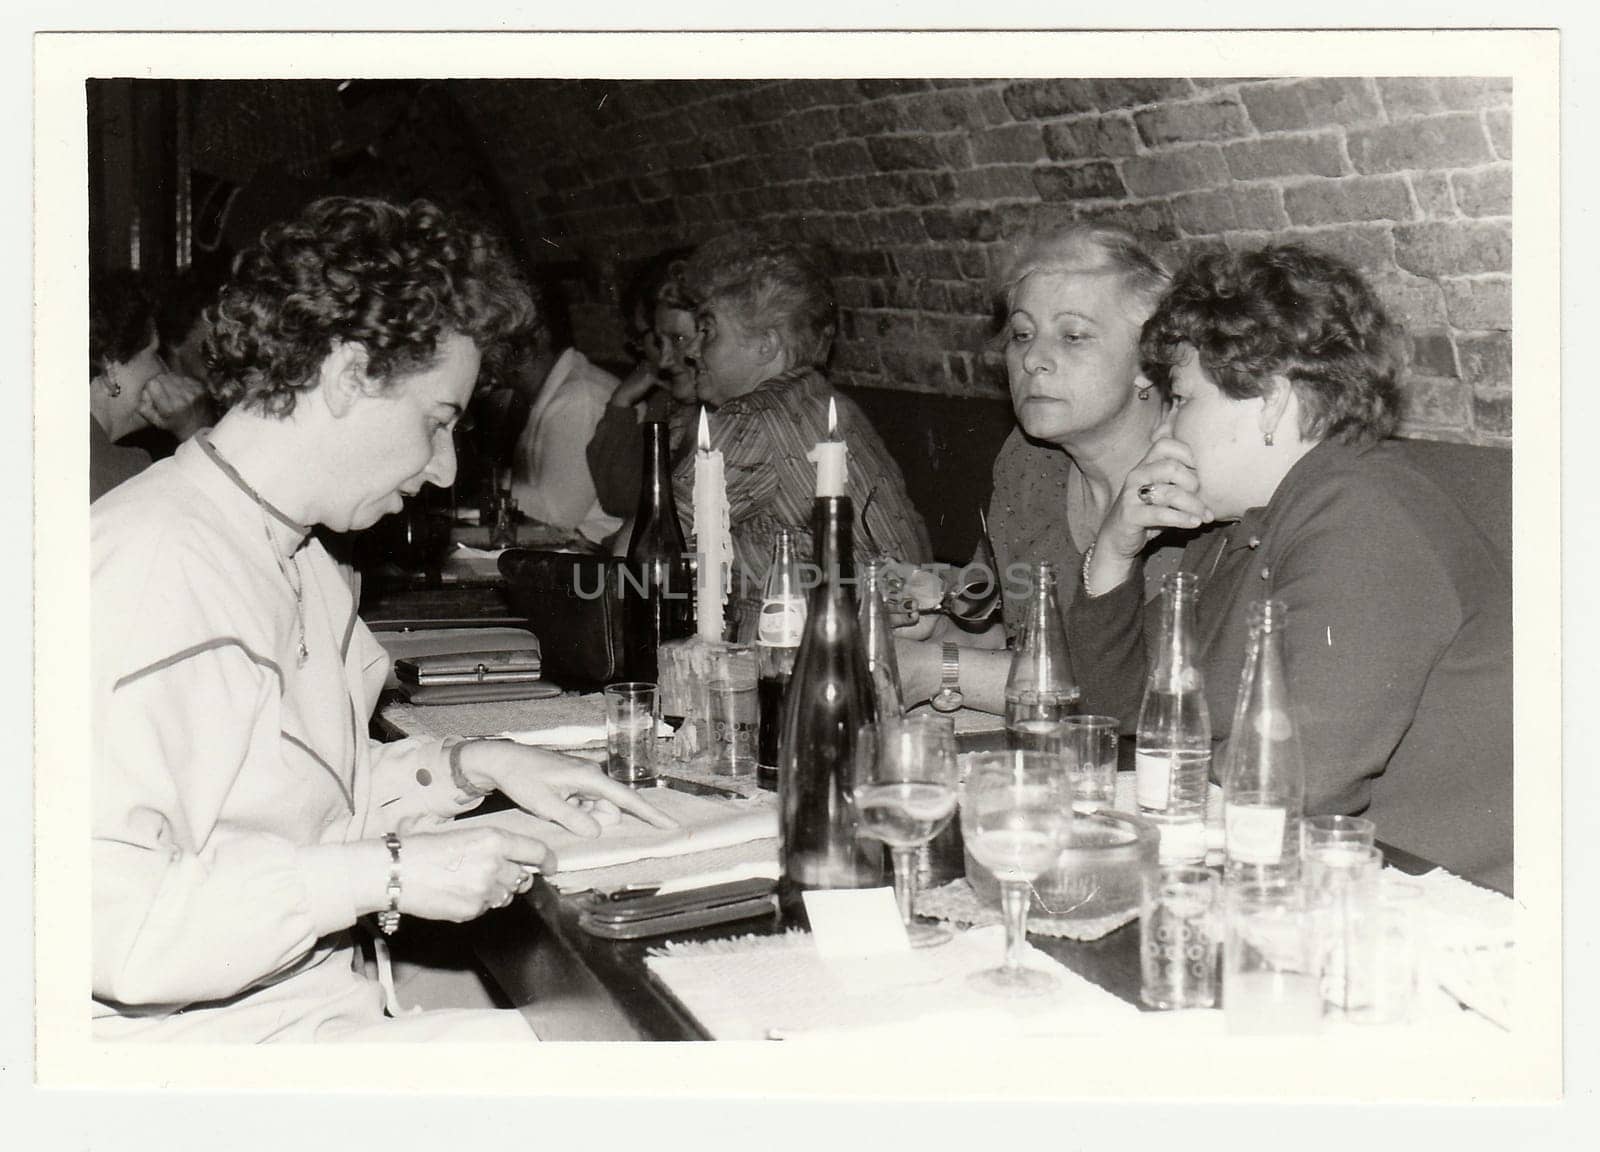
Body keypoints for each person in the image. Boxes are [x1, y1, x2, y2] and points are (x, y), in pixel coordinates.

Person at [92, 196, 676, 1042]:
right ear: (348, 375)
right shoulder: (150, 573)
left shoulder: (299, 556)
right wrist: (388, 875)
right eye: (437, 423)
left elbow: (294, 798)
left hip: (305, 1000)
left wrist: (470, 766)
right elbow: (111, 929)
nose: (443, 470)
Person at [1071, 244, 1512, 892]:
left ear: (1272, 401)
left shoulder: (1364, 516)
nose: (1162, 431)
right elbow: (1122, 713)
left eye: (1181, 400)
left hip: (1436, 909)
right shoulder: (1243, 526)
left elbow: (1293, 783)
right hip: (1315, 883)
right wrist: (1114, 550)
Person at [894, 224, 1187, 713]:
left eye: (1073, 336)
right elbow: (1014, 634)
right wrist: (934, 627)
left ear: (1148, 364)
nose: (1032, 359)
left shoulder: (1188, 485)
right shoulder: (1029, 461)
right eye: (1023, 334)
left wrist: (935, 668)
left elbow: (1124, 687)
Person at [669, 231, 931, 627]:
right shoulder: (825, 404)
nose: (691, 350)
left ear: (766, 345)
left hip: (803, 654)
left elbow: (645, 551)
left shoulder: (749, 420)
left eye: (708, 330)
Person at [587, 250, 701, 525]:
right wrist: (621, 402)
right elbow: (620, 499)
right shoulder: (665, 401)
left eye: (675, 337)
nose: (659, 356)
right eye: (656, 339)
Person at [506, 308, 623, 548]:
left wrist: (495, 485)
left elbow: (557, 516)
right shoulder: (554, 391)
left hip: (597, 557)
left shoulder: (579, 397)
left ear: (538, 336)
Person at [88, 269, 164, 500]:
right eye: (155, 354)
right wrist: (191, 426)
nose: (163, 369)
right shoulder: (128, 474)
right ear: (110, 369)